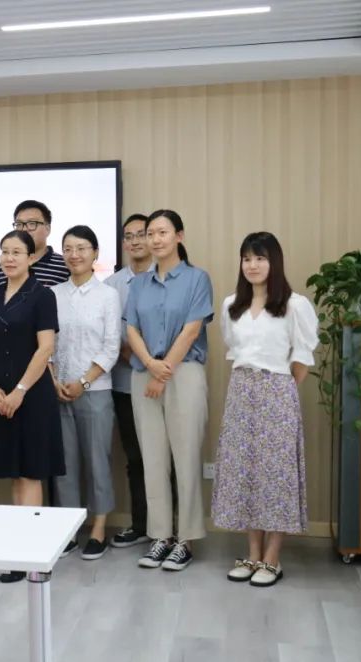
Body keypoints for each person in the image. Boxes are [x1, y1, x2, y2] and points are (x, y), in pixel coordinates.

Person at [212, 232, 318, 587]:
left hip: (277, 392)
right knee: (245, 473)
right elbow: (233, 350)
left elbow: (301, 358)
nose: (252, 265)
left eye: (260, 258)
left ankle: (272, 558)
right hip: (240, 393)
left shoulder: (294, 305)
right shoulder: (232, 305)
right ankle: (253, 554)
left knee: (276, 475)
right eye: (247, 259)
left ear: (275, 262)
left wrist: (281, 391)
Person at [125, 210, 213, 572]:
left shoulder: (197, 278)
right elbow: (131, 329)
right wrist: (150, 364)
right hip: (144, 374)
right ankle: (160, 535)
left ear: (179, 235)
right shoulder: (138, 284)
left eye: (162, 232)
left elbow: (192, 330)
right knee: (153, 459)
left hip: (183, 373)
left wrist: (162, 373)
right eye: (150, 233)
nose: (155, 239)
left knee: (186, 457)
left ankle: (185, 539)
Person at [0, 230, 64, 583]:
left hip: (31, 395)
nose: (9, 258)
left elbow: (45, 348)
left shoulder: (43, 295)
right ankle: (21, 549)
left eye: (17, 252)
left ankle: (33, 555)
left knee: (31, 472)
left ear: (31, 258)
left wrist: (19, 390)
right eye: (4, 251)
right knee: (14, 473)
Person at [51, 226, 121, 561]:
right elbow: (47, 344)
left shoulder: (108, 295)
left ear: (95, 253)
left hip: (95, 390)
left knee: (97, 460)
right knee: (64, 464)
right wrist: (54, 380)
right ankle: (68, 529)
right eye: (68, 248)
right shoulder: (53, 294)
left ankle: (98, 527)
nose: (74, 254)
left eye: (81, 248)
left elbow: (111, 346)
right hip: (58, 390)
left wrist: (84, 381)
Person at [104, 213, 154, 548]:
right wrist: (137, 359)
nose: (135, 241)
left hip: (162, 381)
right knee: (135, 457)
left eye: (141, 234)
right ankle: (140, 524)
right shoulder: (111, 285)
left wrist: (153, 365)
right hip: (124, 383)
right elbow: (111, 336)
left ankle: (169, 529)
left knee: (164, 457)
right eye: (129, 236)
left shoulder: (168, 276)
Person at [0, 200, 70, 291]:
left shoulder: (66, 266)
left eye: (32, 224)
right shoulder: (3, 267)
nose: (24, 230)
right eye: (19, 224)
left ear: (48, 229)